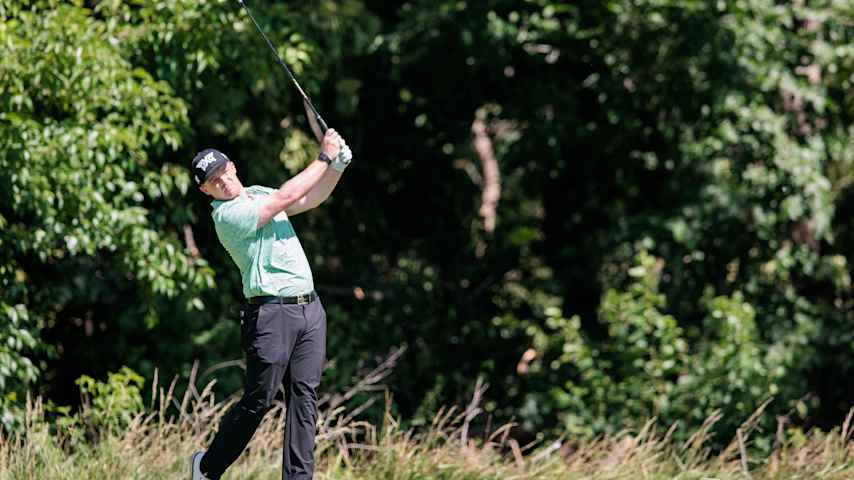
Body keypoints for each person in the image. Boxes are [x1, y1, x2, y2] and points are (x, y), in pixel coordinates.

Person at [188, 128, 352, 480]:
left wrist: (336, 168)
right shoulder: (227, 216)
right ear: (206, 191)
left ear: (233, 167)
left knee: (305, 401)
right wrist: (324, 156)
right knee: (259, 399)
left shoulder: (259, 193)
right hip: (271, 313)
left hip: (310, 309)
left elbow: (308, 199)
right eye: (214, 182)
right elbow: (286, 196)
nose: (224, 182)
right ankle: (207, 467)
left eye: (224, 173)